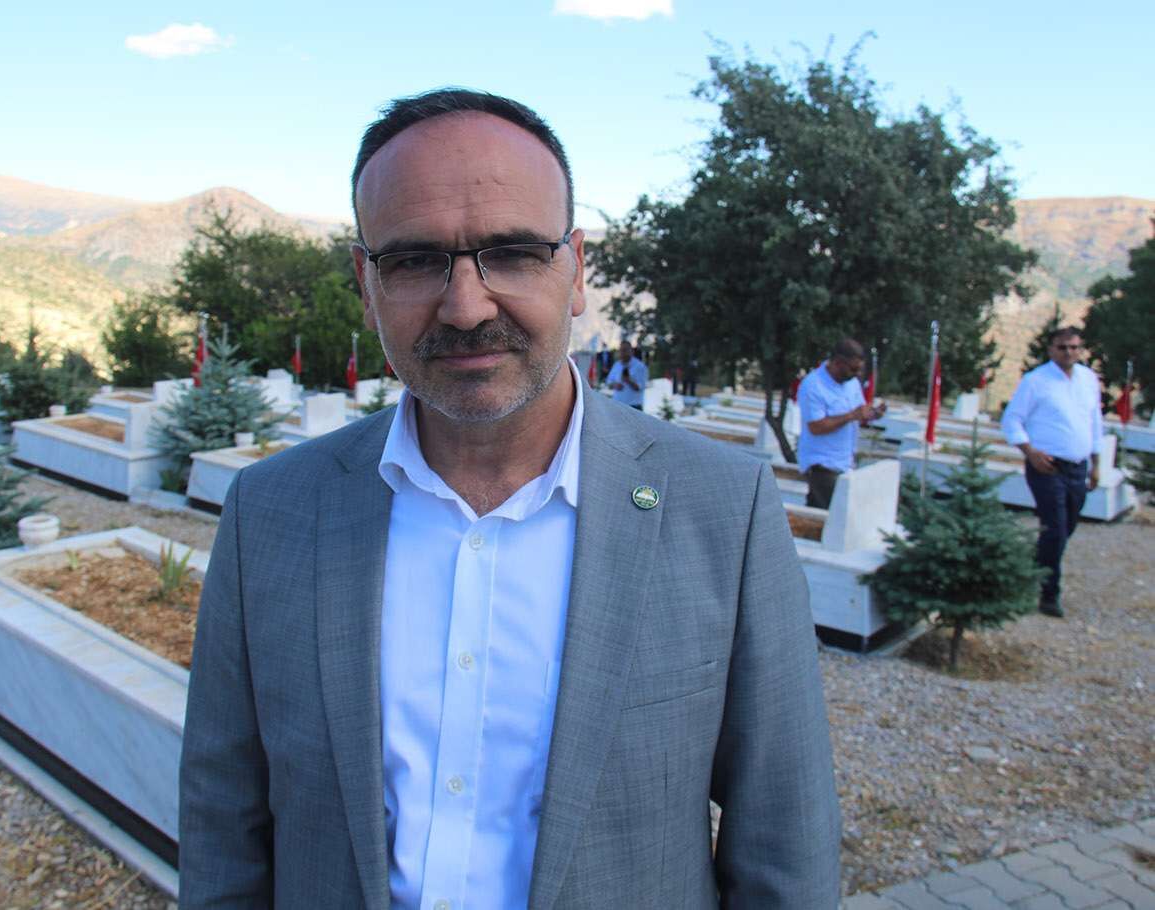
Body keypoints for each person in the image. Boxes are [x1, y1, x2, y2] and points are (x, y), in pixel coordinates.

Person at [179, 88, 840, 909]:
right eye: (414, 261)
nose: (466, 307)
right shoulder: (270, 513)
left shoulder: (722, 511)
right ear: (365, 282)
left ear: (576, 271)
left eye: (515, 252)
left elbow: (784, 843)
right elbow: (223, 826)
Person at [1001, 326, 1102, 618]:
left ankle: (1032, 569)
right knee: (1055, 528)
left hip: (1078, 466)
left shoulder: (1088, 379)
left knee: (1067, 526)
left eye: (1074, 347)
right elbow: (1012, 419)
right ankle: (1048, 594)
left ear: (1080, 349)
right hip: (1047, 466)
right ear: (1051, 350)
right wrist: (1030, 452)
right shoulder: (1036, 381)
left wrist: (1096, 464)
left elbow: (1094, 421)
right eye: (1062, 347)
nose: (1068, 352)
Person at [797, 339, 885, 508]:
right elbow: (816, 427)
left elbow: (859, 413)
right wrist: (851, 415)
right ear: (838, 363)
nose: (857, 373)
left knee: (823, 514)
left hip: (845, 461)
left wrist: (873, 414)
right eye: (853, 368)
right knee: (837, 513)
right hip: (822, 465)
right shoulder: (813, 385)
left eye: (860, 369)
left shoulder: (851, 383)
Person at [604, 338, 648, 409]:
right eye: (621, 350)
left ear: (632, 351)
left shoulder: (640, 366)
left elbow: (641, 387)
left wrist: (629, 381)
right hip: (617, 405)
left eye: (625, 350)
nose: (622, 353)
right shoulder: (617, 365)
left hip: (634, 407)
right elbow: (608, 382)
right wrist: (615, 385)